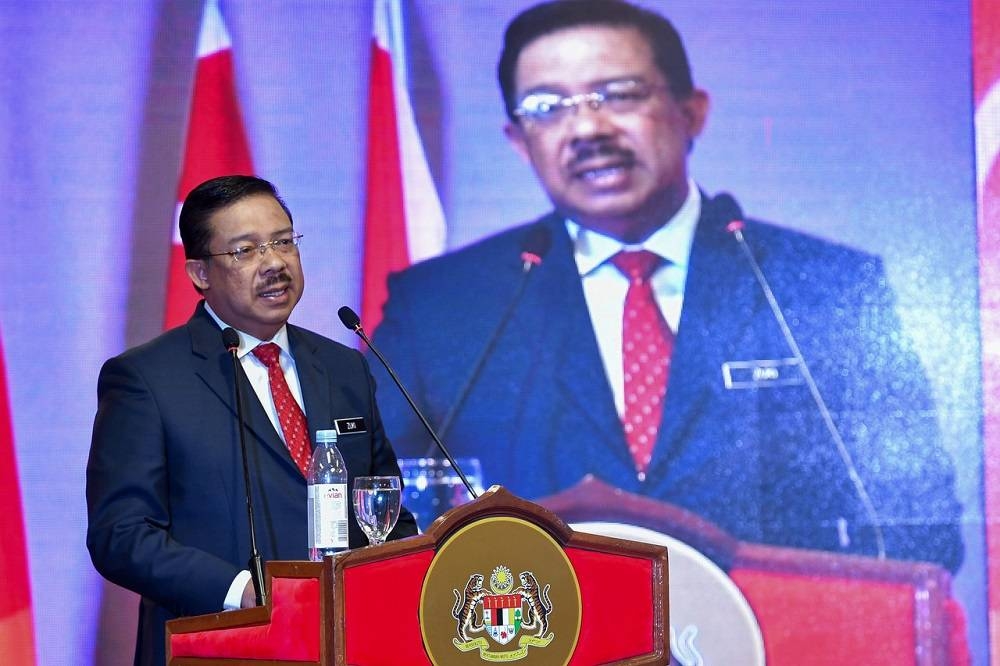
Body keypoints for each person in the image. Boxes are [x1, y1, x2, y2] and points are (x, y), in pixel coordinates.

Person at [369, 0, 963, 573]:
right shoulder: (441, 307)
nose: (587, 128)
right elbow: (369, 515)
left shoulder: (819, 289)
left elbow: (922, 531)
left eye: (619, 95)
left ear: (692, 111)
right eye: (548, 107)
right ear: (520, 142)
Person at [87, 175, 417, 666]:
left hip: (345, 645)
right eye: (245, 251)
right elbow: (121, 535)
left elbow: (384, 512)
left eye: (284, 241)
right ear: (200, 273)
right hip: (216, 646)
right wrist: (242, 590)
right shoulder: (146, 379)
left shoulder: (344, 366)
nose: (275, 263)